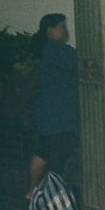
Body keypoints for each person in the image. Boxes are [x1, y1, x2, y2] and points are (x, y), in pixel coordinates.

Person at [26, 13, 79, 200]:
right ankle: (47, 192)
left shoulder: (48, 50)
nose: (66, 31)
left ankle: (33, 191)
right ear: (50, 31)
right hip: (57, 113)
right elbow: (82, 63)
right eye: (61, 27)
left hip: (49, 111)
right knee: (58, 150)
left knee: (44, 149)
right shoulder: (58, 51)